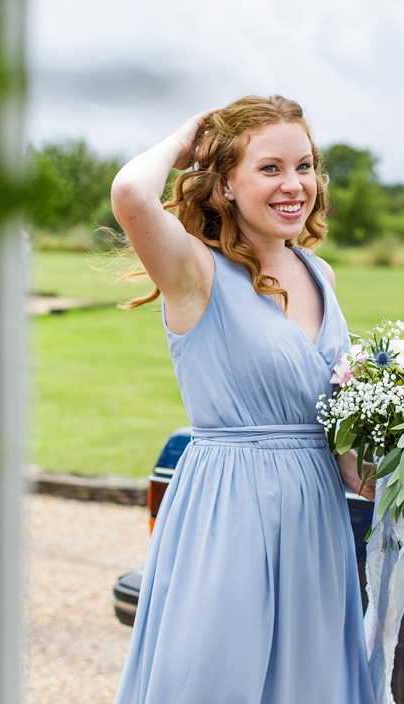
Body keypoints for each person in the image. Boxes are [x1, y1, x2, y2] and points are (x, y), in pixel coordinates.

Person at [110, 95, 377, 704]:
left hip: (316, 518)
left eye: (305, 166)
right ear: (225, 183)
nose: (294, 185)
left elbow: (328, 423)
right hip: (229, 511)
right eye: (270, 168)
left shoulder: (320, 274)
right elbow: (130, 194)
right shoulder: (192, 270)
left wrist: (378, 468)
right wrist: (187, 137)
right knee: (217, 678)